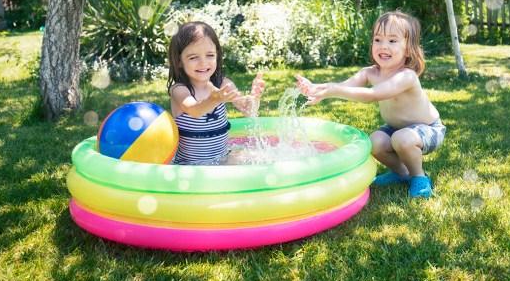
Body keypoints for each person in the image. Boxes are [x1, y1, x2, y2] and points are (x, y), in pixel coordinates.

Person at [295, 11, 445, 198]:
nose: (383, 46)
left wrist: (333, 89)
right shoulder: (370, 72)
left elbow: (373, 95)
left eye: (392, 41)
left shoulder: (406, 76)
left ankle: (419, 177)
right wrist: (318, 90)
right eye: (378, 39)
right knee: (374, 143)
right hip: (396, 129)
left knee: (402, 139)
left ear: (408, 49)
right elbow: (343, 87)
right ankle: (402, 173)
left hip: (428, 129)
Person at [167, 21, 265, 165]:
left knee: (258, 159)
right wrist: (213, 100)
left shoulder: (223, 84)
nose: (203, 63)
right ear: (179, 61)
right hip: (190, 166)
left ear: (217, 56)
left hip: (222, 159)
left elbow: (248, 110)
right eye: (193, 57)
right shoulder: (179, 90)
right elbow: (194, 110)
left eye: (210, 55)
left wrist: (254, 98)